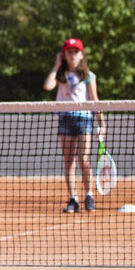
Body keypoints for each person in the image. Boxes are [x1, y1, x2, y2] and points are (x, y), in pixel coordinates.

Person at [43, 38, 106, 213]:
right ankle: (73, 198)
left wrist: (101, 122)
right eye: (69, 52)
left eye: (75, 52)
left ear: (82, 55)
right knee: (69, 161)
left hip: (84, 119)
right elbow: (48, 86)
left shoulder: (88, 76)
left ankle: (89, 195)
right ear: (64, 55)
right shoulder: (61, 75)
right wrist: (57, 65)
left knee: (83, 159)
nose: (72, 56)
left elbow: (95, 100)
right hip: (65, 119)